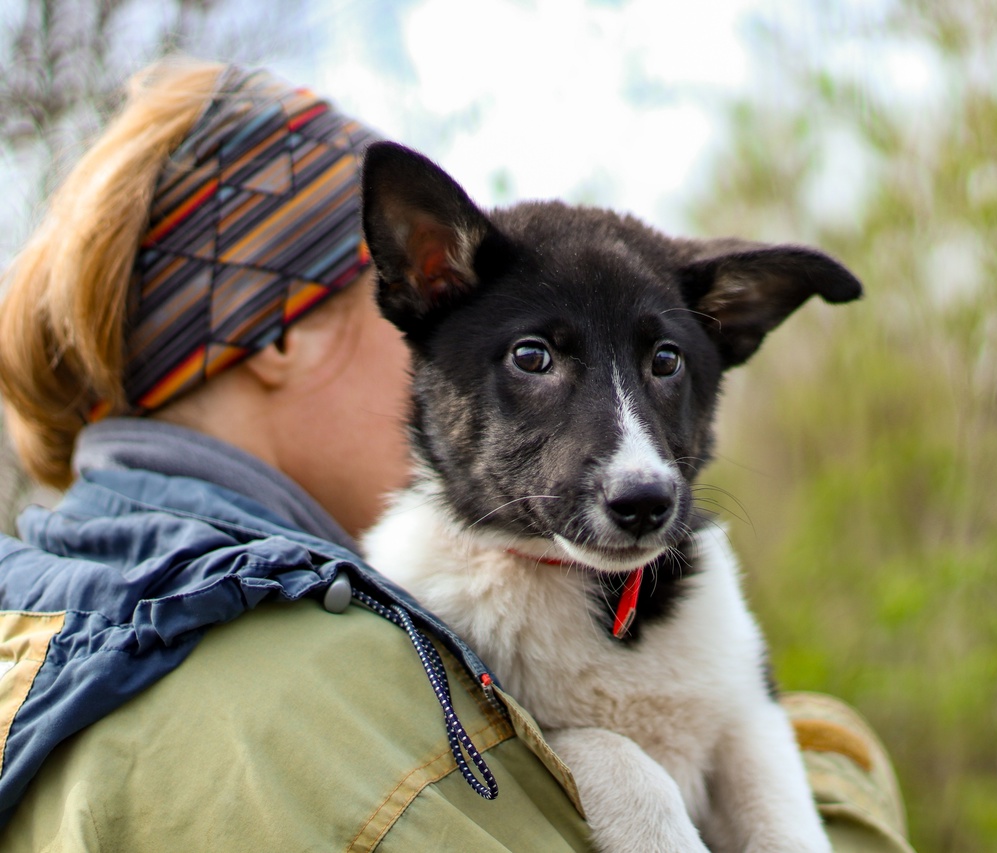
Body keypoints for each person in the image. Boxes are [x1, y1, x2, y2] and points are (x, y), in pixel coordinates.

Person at [0, 59, 914, 852]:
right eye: (388, 292)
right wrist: (838, 761)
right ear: (277, 337)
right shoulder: (317, 682)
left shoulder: (40, 627)